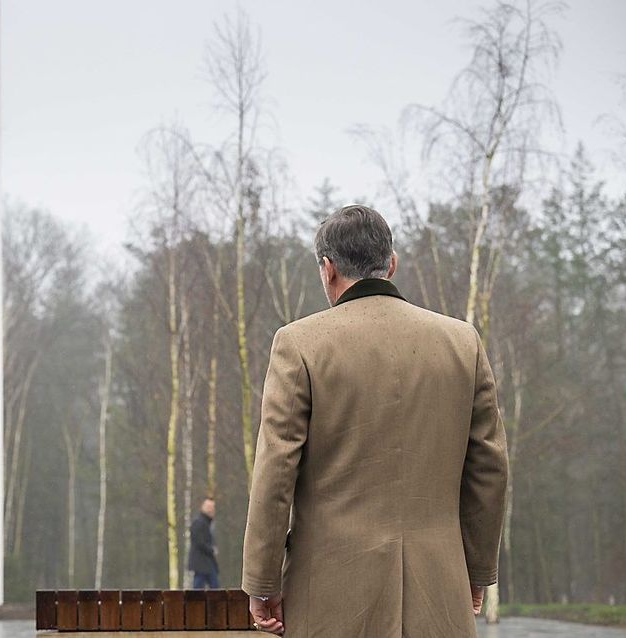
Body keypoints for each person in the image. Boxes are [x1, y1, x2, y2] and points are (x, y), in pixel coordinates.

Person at [241, 205, 508, 638]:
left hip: (329, 597)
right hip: (440, 592)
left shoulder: (299, 344)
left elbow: (275, 472)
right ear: (391, 264)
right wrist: (477, 571)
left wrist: (262, 580)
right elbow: (489, 469)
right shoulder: (463, 343)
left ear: (327, 269)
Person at [188, 497, 220, 589]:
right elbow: (199, 542)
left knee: (214, 589)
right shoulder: (199, 523)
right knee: (199, 590)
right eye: (208, 507)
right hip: (201, 563)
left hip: (207, 563)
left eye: (212, 507)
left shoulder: (206, 523)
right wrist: (212, 550)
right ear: (203, 507)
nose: (211, 509)